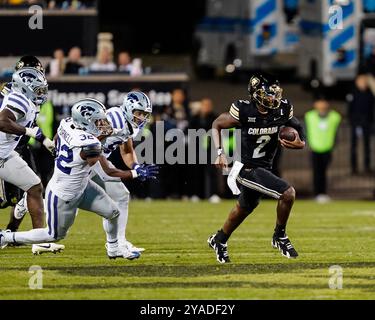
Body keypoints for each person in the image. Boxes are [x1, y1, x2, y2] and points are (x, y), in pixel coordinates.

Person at [0, 98, 158, 259]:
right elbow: (108, 171)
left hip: (80, 176)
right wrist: (135, 173)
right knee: (55, 233)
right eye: (100, 121)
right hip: (73, 182)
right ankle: (7, 234)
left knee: (114, 207)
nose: (104, 124)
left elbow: (124, 146)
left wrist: (135, 165)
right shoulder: (92, 141)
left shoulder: (68, 123)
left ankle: (116, 245)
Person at [207, 72, 305, 263]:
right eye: (268, 94)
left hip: (264, 168)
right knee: (288, 193)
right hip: (245, 168)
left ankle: (219, 240)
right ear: (256, 94)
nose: (273, 98)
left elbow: (297, 126)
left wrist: (301, 143)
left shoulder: (281, 110)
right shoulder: (244, 110)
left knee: (245, 207)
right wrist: (219, 152)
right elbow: (217, 124)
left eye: (275, 93)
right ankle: (280, 236)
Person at [90, 91, 153, 254]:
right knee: (66, 207)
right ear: (128, 108)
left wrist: (136, 167)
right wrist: (108, 168)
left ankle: (119, 242)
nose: (142, 118)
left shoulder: (130, 125)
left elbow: (126, 150)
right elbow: (88, 143)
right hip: (85, 160)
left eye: (145, 114)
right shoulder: (113, 119)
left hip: (98, 160)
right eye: (139, 113)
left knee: (121, 196)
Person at [0, 65, 54, 234]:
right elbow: (2, 122)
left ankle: (39, 238)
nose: (41, 93)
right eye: (37, 90)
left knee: (35, 186)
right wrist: (29, 132)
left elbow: (30, 125)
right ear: (25, 88)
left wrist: (44, 140)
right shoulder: (19, 99)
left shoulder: (27, 102)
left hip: (5, 155)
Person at [305, 98, 341, 203]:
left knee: (324, 172)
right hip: (314, 148)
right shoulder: (309, 116)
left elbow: (336, 132)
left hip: (327, 148)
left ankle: (323, 193)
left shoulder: (334, 117)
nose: (321, 105)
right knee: (317, 172)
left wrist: (334, 144)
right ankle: (317, 193)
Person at [347, 74, 375, 174]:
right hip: (356, 123)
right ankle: (354, 168)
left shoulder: (369, 94)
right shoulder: (353, 93)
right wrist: (352, 121)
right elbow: (350, 109)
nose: (363, 84)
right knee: (354, 146)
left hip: (367, 122)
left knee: (367, 146)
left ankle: (367, 166)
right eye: (361, 81)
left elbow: (372, 109)